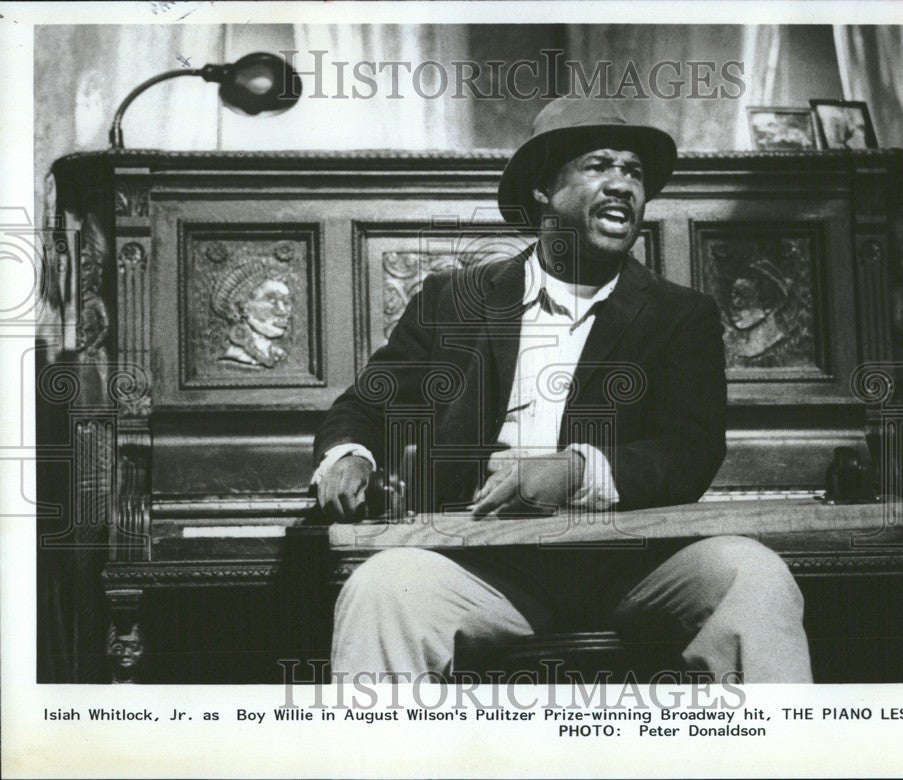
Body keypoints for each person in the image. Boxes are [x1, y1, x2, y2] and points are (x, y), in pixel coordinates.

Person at [313, 97, 812, 683]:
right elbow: (368, 403)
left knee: (754, 576)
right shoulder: (454, 299)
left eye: (634, 173)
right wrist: (349, 454)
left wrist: (575, 470)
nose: (623, 184)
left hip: (635, 562)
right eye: (600, 166)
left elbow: (690, 450)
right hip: (481, 564)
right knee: (380, 590)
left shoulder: (681, 315)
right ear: (543, 191)